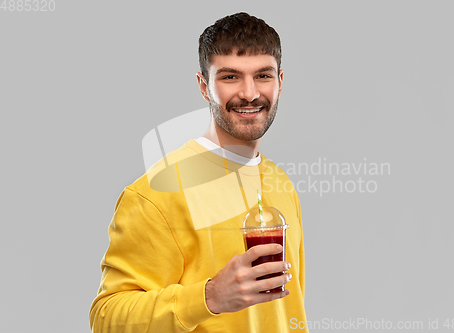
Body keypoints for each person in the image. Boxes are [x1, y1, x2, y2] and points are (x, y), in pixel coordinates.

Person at [90, 12, 308, 332]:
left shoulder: (281, 182)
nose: (249, 93)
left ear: (280, 82)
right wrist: (209, 297)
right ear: (204, 86)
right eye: (230, 77)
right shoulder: (154, 193)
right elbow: (107, 317)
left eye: (263, 75)